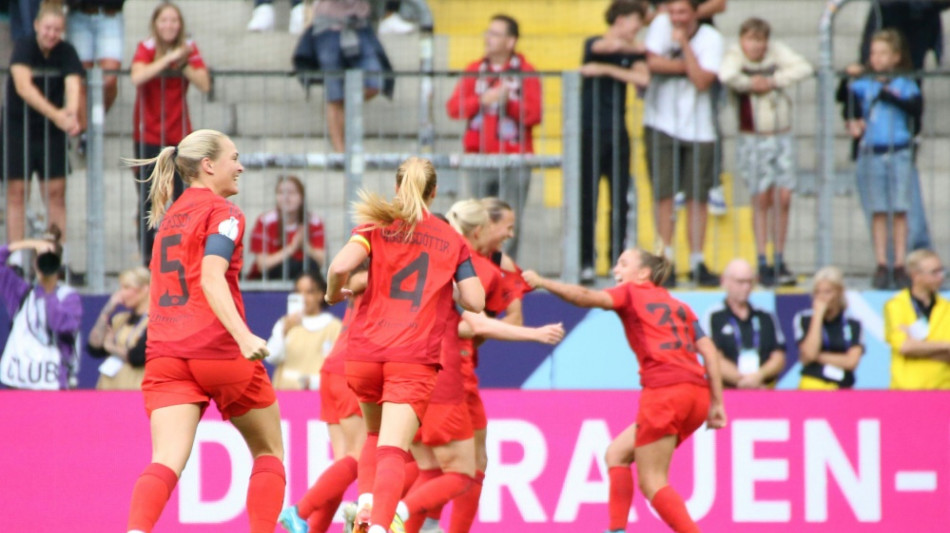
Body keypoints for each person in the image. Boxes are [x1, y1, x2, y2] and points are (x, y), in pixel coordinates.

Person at [124, 129, 285, 533]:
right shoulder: (225, 213)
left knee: (164, 461)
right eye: (234, 157)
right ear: (208, 165)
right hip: (219, 351)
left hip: (165, 355)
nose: (241, 166)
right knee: (269, 452)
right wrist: (244, 336)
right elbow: (211, 278)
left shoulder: (168, 219)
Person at [324, 157, 485, 533]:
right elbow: (476, 302)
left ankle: (365, 508)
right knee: (394, 450)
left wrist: (335, 294)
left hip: (364, 353)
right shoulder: (451, 239)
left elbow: (337, 268)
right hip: (412, 357)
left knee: (374, 435)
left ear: (397, 188)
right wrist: (452, 283)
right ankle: (380, 526)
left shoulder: (374, 224)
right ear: (434, 192)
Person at [523, 248, 726, 533]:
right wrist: (717, 403)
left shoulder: (631, 292)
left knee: (653, 481)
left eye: (623, 264)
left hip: (665, 390)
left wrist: (544, 282)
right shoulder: (679, 305)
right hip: (696, 394)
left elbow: (584, 297)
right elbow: (708, 349)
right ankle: (617, 529)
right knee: (616, 453)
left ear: (643, 274)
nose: (616, 270)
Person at [719, 18, 812, 287]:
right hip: (753, 138)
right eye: (751, 40)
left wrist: (773, 81)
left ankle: (779, 257)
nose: (756, 46)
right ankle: (762, 258)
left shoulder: (776, 52)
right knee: (761, 198)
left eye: (760, 40)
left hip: (781, 134)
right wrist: (751, 83)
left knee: (783, 197)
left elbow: (802, 67)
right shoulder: (735, 55)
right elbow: (727, 75)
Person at [279, 265, 369, 533]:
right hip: (352, 368)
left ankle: (312, 527)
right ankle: (300, 511)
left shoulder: (363, 278)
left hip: (334, 368)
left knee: (343, 462)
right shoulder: (380, 276)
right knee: (360, 455)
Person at [446, 14, 542, 259]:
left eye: (495, 34)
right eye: (488, 33)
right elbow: (453, 108)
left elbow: (534, 114)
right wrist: (482, 101)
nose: (488, 39)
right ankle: (478, 270)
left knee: (510, 219)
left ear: (511, 41)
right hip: (479, 156)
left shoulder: (527, 72)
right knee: (476, 220)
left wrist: (508, 103)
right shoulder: (474, 70)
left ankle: (504, 273)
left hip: (515, 159)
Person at [643, 0, 724, 287]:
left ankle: (697, 261)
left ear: (694, 13)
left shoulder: (711, 38)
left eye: (682, 12)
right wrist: (688, 66)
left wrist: (684, 49)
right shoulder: (659, 26)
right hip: (660, 122)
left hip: (700, 127)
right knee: (664, 194)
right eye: (672, 11)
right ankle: (666, 261)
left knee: (697, 197)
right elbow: (652, 62)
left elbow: (703, 81)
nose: (675, 18)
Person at [130, 1, 211, 266]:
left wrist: (182, 62)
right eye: (163, 20)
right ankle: (148, 259)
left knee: (181, 198)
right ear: (155, 24)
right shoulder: (147, 47)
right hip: (148, 134)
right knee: (149, 199)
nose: (169, 26)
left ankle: (180, 256)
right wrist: (166, 59)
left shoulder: (188, 49)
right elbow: (137, 76)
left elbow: (204, 83)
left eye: (173, 21)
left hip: (179, 136)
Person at [2, 2, 82, 262]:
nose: (51, 34)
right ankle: (15, 258)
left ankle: (58, 256)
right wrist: (58, 115)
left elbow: (73, 85)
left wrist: (70, 114)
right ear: (37, 26)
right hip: (19, 129)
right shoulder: (24, 47)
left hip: (51, 134)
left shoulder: (67, 51)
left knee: (56, 192)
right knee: (17, 191)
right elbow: (23, 87)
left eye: (57, 29)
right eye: (47, 28)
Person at [579, 0, 650, 284]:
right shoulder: (595, 43)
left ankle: (616, 262)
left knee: (619, 201)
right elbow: (602, 48)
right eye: (635, 20)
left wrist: (607, 71)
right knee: (588, 200)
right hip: (589, 132)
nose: (638, 27)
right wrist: (630, 55)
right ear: (620, 19)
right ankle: (586, 260)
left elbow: (643, 76)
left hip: (617, 132)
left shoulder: (630, 53)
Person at [845, 29, 920, 290]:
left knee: (899, 209)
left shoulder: (905, 83)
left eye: (882, 53)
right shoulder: (864, 82)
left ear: (896, 57)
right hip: (872, 151)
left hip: (898, 150)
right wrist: (849, 76)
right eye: (873, 53)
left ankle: (899, 262)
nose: (876, 58)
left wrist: (886, 89)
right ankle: (881, 262)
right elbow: (845, 100)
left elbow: (914, 108)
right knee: (878, 210)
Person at [291, 0, 393, 153]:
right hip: (327, 29)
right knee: (334, 95)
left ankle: (342, 107)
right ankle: (340, 152)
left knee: (375, 83)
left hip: (360, 27)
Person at [0, 226, 82, 390]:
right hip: (17, 378)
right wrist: (28, 243)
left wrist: (47, 290)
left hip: (52, 380)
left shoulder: (68, 297)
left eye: (49, 259)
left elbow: (61, 326)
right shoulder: (21, 292)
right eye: (40, 259)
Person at [704, 259, 786, 389]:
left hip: (764, 389)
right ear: (725, 281)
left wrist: (759, 376)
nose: (746, 287)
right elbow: (713, 358)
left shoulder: (765, 315)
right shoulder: (714, 316)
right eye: (740, 282)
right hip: (728, 390)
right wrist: (744, 381)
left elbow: (779, 356)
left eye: (750, 282)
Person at [885, 249, 950, 389]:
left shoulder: (947, 307)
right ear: (916, 275)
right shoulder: (896, 305)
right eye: (934, 272)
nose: (940, 277)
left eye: (941, 271)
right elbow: (905, 346)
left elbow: (911, 347)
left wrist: (919, 349)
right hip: (906, 391)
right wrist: (945, 345)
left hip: (943, 390)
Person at [265, 272, 341, 390]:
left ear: (320, 295)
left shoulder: (334, 327)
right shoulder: (285, 323)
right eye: (298, 292)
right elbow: (272, 357)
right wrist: (283, 332)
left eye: (309, 292)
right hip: (286, 395)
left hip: (318, 396)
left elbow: (338, 368)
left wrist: (313, 382)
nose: (303, 297)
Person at [794, 266, 864, 390]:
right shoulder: (804, 319)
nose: (822, 297)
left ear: (839, 292)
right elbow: (810, 353)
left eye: (827, 292)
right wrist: (818, 316)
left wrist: (818, 357)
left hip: (843, 387)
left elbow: (852, 361)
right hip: (812, 385)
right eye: (817, 292)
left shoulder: (853, 324)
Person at [248, 175, 327, 280]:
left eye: (292, 193)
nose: (286, 197)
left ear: (302, 197)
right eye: (281, 193)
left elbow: (320, 262)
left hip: (302, 277)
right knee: (287, 266)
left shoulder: (314, 222)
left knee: (309, 265)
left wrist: (304, 245)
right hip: (272, 277)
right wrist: (292, 247)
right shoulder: (265, 221)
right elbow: (262, 265)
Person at [65, 0, 124, 137]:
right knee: (81, 81)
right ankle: (87, 134)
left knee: (109, 79)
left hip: (110, 13)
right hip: (79, 13)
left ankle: (92, 127)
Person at [87, 266, 150, 390]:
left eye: (126, 288)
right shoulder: (119, 319)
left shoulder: (153, 320)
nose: (120, 293)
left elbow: (138, 356)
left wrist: (110, 346)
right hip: (108, 387)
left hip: (133, 388)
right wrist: (106, 312)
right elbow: (94, 347)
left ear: (144, 289)